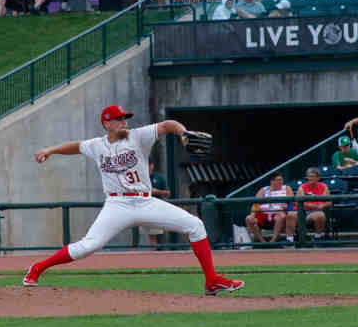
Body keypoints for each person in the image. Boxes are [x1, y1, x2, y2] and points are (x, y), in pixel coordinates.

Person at [22, 104, 245, 296]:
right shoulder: (96, 145)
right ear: (106, 124)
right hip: (117, 205)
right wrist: (50, 150)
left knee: (195, 225)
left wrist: (183, 132)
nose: (123, 122)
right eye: (118, 119)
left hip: (145, 202)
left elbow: (167, 124)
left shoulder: (138, 136)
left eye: (125, 118)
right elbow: (76, 146)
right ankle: (38, 268)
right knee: (89, 246)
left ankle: (211, 280)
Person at [245, 172, 295, 243]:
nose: (281, 182)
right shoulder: (263, 190)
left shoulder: (287, 188)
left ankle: (273, 240)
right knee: (249, 218)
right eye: (278, 180)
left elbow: (291, 202)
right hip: (263, 213)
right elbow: (255, 204)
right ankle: (262, 242)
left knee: (281, 216)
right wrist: (252, 215)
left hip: (278, 213)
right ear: (272, 181)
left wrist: (287, 207)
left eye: (281, 180)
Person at [287, 167, 331, 241]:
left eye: (312, 176)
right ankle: (290, 239)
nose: (310, 178)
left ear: (318, 178)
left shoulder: (324, 187)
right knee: (290, 214)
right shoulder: (302, 187)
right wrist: (309, 205)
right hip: (302, 212)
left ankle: (318, 237)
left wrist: (322, 205)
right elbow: (297, 202)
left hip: (315, 211)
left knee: (320, 215)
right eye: (309, 176)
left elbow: (329, 202)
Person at [144, 160, 171, 247]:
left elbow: (167, 193)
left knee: (155, 236)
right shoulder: (138, 179)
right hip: (141, 209)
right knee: (149, 237)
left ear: (152, 165)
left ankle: (156, 254)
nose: (147, 168)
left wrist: (156, 191)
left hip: (156, 210)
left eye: (148, 165)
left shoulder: (159, 178)